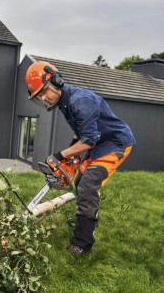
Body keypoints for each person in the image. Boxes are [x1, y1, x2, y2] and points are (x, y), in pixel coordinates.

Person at [25, 61, 136, 255]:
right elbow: (83, 132)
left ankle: (82, 243)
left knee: (87, 186)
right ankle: (89, 218)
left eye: (43, 92)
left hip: (115, 144)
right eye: (39, 97)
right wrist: (71, 152)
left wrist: (60, 155)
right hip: (98, 142)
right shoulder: (64, 102)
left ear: (56, 81)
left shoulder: (80, 101)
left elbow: (90, 140)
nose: (43, 98)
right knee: (81, 182)